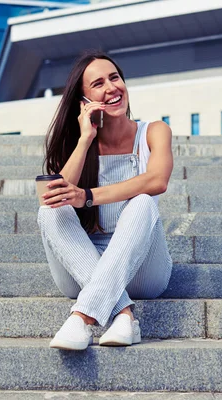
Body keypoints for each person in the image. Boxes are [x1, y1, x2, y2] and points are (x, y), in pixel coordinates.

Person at [37, 50, 174, 351]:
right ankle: (124, 314)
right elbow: (56, 195)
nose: (111, 87)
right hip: (82, 265)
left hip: (142, 269)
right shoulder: (78, 144)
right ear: (84, 101)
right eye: (98, 84)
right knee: (51, 211)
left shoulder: (153, 131)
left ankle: (84, 316)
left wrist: (87, 197)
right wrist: (86, 139)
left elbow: (157, 181)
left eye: (115, 78)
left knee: (143, 202)